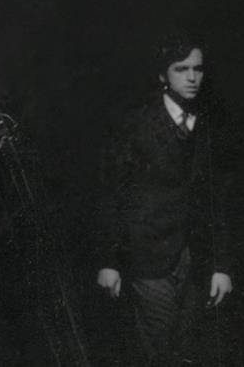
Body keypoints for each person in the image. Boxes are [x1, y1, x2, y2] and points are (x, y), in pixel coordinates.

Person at [96, 34, 233, 365]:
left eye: (198, 69)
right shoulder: (136, 125)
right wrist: (108, 261)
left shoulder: (210, 125)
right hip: (148, 256)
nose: (192, 77)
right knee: (158, 349)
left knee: (189, 348)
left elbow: (217, 199)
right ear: (162, 75)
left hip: (196, 259)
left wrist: (221, 266)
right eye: (181, 69)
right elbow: (113, 193)